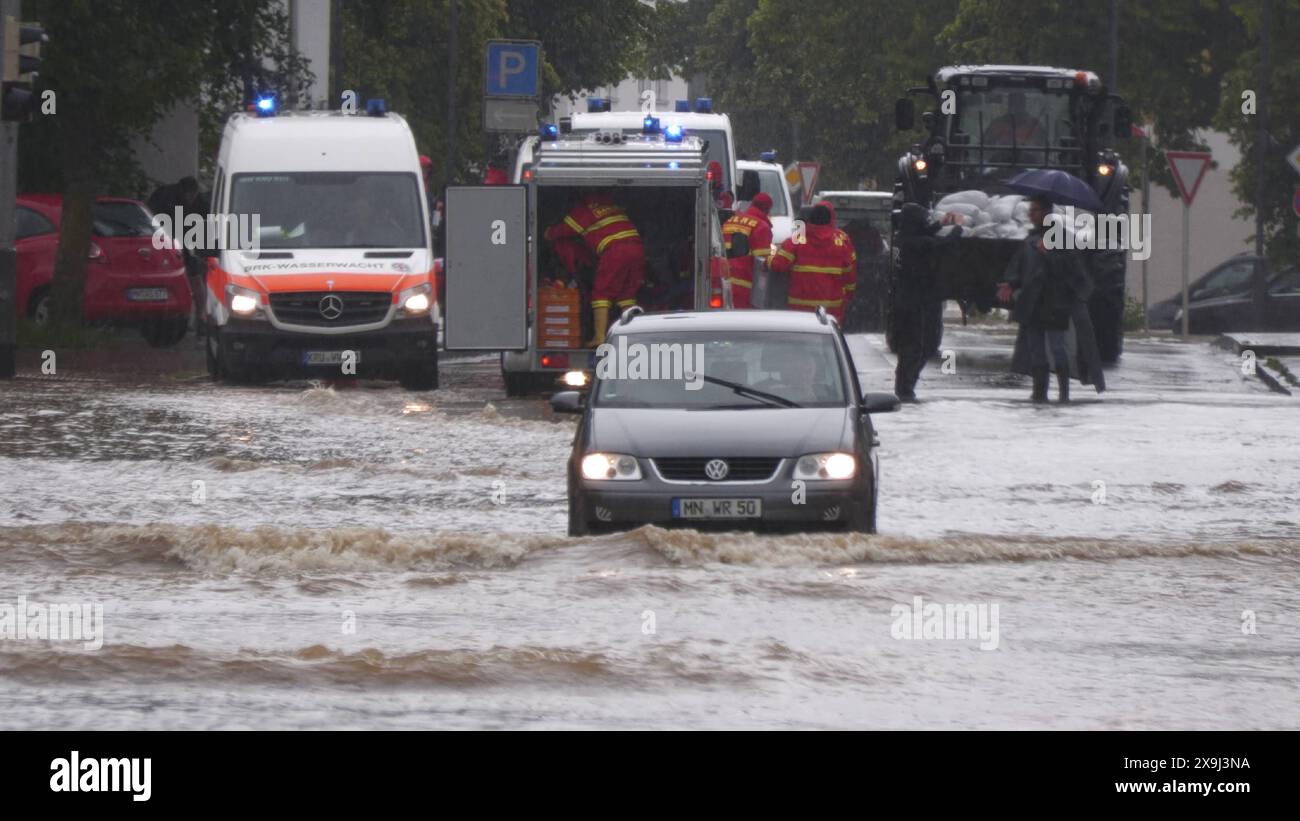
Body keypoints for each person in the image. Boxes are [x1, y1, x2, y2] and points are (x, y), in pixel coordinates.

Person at [999, 195, 1095, 403]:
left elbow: (1072, 270)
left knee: (1057, 348)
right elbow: (1021, 267)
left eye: (1035, 210)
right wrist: (1011, 283)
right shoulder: (1030, 239)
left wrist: (1049, 254)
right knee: (1036, 350)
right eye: (1030, 210)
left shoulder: (1061, 239)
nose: (1030, 214)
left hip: (1054, 303)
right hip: (1032, 303)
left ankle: (1063, 393)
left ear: (1046, 213)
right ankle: (1039, 392)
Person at [544, 191, 646, 346]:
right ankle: (633, 338)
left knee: (601, 293)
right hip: (637, 248)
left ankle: (599, 338)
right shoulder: (609, 204)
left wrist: (548, 233)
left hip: (615, 250)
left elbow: (564, 230)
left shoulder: (582, 211)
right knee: (626, 294)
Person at [892, 203, 959, 402]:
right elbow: (943, 245)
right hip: (916, 302)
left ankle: (904, 386)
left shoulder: (903, 238)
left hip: (906, 300)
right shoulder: (915, 244)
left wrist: (940, 223)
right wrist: (958, 228)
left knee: (911, 346)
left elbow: (924, 236)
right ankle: (905, 388)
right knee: (918, 347)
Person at [769, 202, 856, 322]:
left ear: (810, 219)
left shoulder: (797, 239)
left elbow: (778, 265)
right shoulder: (842, 240)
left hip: (800, 309)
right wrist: (849, 295)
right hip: (831, 309)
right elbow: (850, 274)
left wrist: (768, 260)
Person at [721, 192, 774, 308]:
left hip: (723, 281)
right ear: (767, 210)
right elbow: (762, 265)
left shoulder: (731, 220)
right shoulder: (761, 227)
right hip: (744, 285)